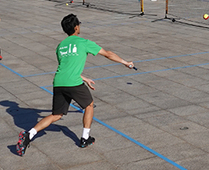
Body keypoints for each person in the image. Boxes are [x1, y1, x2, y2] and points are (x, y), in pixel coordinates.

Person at [17, 13, 134, 154]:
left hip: (59, 82)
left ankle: (29, 134)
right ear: (76, 27)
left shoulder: (60, 46)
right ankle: (85, 138)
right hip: (73, 83)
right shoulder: (84, 43)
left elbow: (66, 68)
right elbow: (108, 53)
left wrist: (85, 78)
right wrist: (125, 62)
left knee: (56, 115)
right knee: (89, 105)